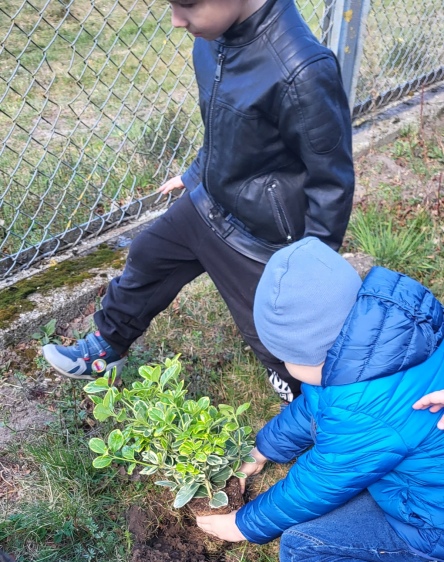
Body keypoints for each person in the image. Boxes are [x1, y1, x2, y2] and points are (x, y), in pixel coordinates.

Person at [42, 0, 354, 403]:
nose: (176, 20)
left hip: (262, 236)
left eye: (187, 5)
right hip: (210, 202)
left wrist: (312, 271)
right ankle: (107, 346)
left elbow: (332, 183)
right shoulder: (213, 38)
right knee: (148, 255)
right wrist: (196, 173)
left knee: (273, 334)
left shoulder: (301, 70)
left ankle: (315, 408)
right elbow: (225, 128)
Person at [196, 237, 444, 562]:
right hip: (426, 480)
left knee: (303, 550)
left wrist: (244, 525)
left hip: (432, 524)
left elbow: (316, 485)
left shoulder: (360, 411)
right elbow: (317, 407)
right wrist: (265, 447)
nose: (288, 370)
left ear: (320, 352)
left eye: (290, 359)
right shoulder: (384, 338)